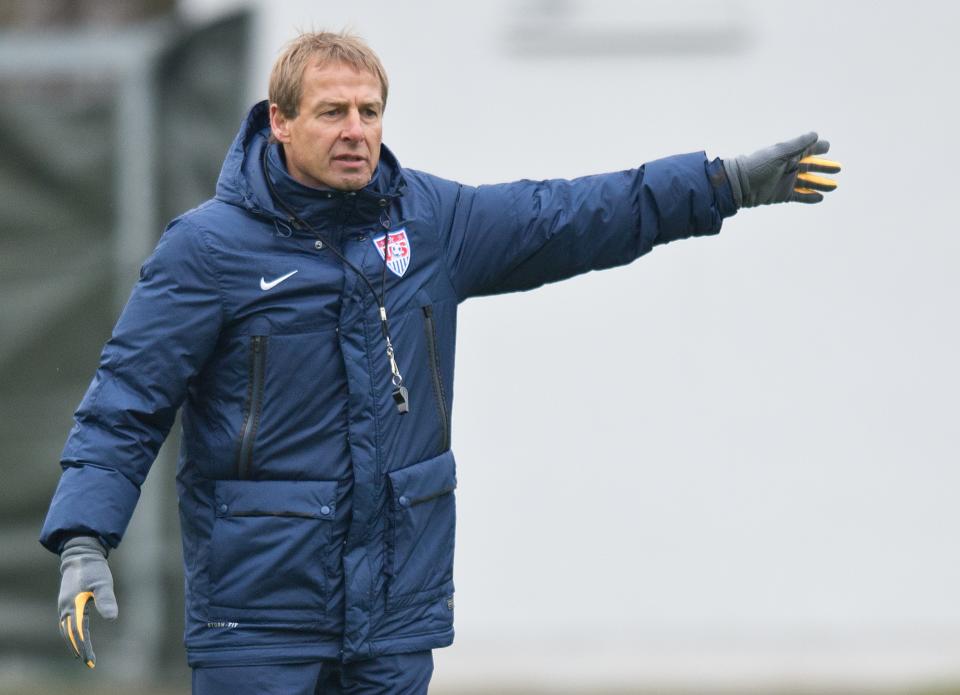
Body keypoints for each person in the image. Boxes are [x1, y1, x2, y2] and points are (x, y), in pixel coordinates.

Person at [41, 30, 840, 695]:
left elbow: (575, 214)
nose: (356, 128)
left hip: (394, 612)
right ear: (279, 121)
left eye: (370, 111)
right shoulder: (208, 248)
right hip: (259, 619)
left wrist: (723, 184)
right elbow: (128, 398)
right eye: (332, 112)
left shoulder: (432, 223)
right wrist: (84, 537)